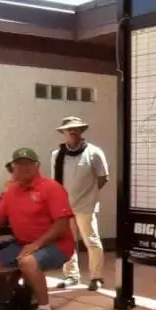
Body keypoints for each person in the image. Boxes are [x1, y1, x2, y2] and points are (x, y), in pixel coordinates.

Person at [0, 148, 74, 310]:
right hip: (23, 243)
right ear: (12, 167)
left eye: (28, 163)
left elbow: (61, 225)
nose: (24, 167)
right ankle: (15, 300)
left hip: (56, 244)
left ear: (37, 166)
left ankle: (45, 309)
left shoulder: (51, 188)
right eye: (19, 164)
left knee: (27, 261)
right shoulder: (11, 190)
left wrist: (36, 245)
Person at [51, 115, 109, 291]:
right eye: (68, 129)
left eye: (76, 128)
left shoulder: (94, 152)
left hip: (86, 205)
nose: (72, 131)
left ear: (82, 131)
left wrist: (88, 195)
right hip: (64, 206)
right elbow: (55, 182)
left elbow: (103, 177)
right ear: (63, 133)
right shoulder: (57, 155)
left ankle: (96, 277)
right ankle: (71, 276)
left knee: (91, 240)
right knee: (67, 241)